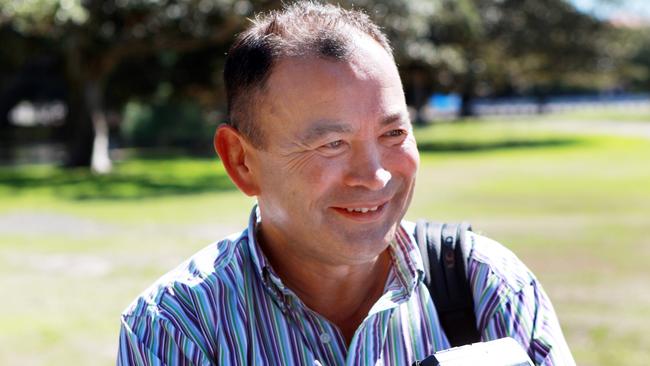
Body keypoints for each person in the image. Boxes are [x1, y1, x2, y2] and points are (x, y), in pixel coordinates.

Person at [117, 2, 575, 365]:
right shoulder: (176, 329)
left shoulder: (486, 288)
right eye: (333, 143)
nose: (374, 175)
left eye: (394, 133)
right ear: (241, 161)